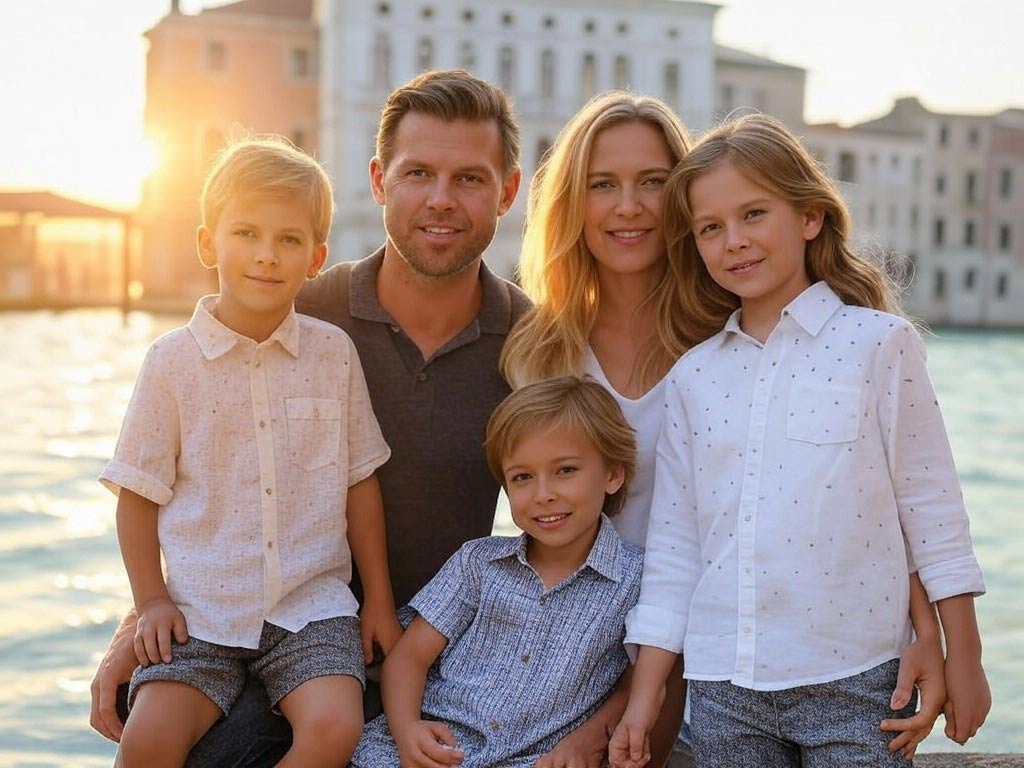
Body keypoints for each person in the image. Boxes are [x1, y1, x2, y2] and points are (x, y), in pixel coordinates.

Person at [88, 70, 602, 767]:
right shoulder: (296, 310)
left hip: (434, 663)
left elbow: (580, 529)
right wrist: (136, 624)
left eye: (470, 179)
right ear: (379, 181)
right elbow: (197, 471)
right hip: (251, 631)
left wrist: (597, 715)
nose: (441, 201)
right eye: (418, 172)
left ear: (508, 192)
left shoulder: (532, 346)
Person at [502, 93, 944, 767]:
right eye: (602, 185)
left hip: (717, 656)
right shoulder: (539, 353)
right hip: (592, 657)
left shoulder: (740, 332)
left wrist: (924, 628)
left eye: (653, 182)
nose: (629, 207)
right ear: (571, 203)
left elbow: (867, 493)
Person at [610, 113, 990, 768]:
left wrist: (966, 658)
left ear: (810, 217)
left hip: (860, 682)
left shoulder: (878, 344)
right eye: (710, 228)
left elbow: (930, 515)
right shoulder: (694, 377)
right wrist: (642, 703)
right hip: (723, 687)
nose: (734, 241)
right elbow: (676, 553)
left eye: (754, 214)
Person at [99, 137, 401, 768]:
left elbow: (358, 484)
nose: (267, 256)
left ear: (317, 257)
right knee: (145, 745)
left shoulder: (333, 354)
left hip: (312, 608)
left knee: (333, 729)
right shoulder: (171, 363)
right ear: (209, 244)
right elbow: (136, 497)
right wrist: (150, 601)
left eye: (289, 240)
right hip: (198, 612)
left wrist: (376, 598)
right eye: (247, 233)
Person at [351, 376, 644, 768]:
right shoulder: (478, 563)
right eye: (523, 477)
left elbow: (638, 681)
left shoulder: (637, 580)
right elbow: (409, 658)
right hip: (435, 746)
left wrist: (588, 740)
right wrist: (407, 731)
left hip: (534, 759)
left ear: (613, 474)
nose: (543, 494)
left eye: (566, 470)